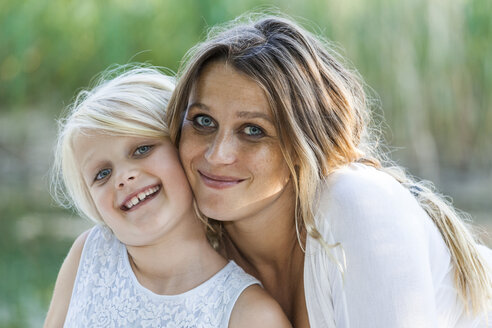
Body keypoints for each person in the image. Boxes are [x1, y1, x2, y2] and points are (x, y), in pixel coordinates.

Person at [166, 13, 492, 327]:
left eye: (253, 130)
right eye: (203, 121)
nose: (217, 154)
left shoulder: (357, 206)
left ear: (304, 144)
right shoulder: (193, 247)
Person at [43, 66, 291, 328]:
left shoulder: (250, 315)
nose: (123, 177)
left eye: (142, 149)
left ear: (183, 147)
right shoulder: (89, 256)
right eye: (102, 173)